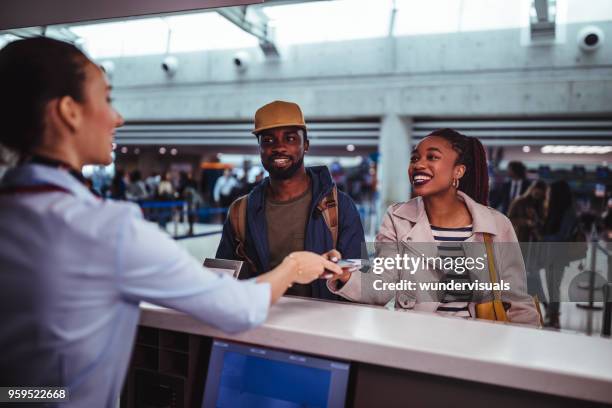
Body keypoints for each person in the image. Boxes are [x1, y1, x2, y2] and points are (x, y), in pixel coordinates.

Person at [0, 37, 343, 407]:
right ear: (69, 111)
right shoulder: (106, 230)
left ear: (305, 145)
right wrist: (294, 265)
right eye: (106, 98)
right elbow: (237, 305)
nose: (118, 117)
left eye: (290, 138)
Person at [328, 128, 540, 326]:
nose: (419, 164)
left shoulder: (495, 224)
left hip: (477, 345)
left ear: (458, 171)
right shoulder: (397, 218)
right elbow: (384, 284)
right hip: (415, 338)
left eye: (432, 157)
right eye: (415, 158)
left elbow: (517, 300)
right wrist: (345, 276)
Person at [216, 100, 365, 299]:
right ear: (259, 148)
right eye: (268, 140)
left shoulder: (339, 207)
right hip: (261, 323)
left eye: (291, 138)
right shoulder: (240, 212)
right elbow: (223, 280)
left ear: (306, 145)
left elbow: (361, 284)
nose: (279, 147)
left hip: (322, 325)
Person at [542, 180, 579, 328]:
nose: (548, 194)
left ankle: (554, 316)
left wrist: (543, 237)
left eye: (551, 192)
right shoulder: (554, 210)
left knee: (553, 286)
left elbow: (562, 236)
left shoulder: (568, 212)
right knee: (550, 285)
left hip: (559, 254)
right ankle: (551, 313)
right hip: (550, 252)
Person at [507, 180, 547, 303]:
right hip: (520, 241)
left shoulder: (541, 206)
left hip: (534, 245)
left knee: (532, 274)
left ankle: (538, 301)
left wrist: (537, 223)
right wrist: (526, 222)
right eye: (536, 192)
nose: (537, 195)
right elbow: (509, 219)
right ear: (532, 189)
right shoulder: (520, 202)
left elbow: (543, 224)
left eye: (540, 194)